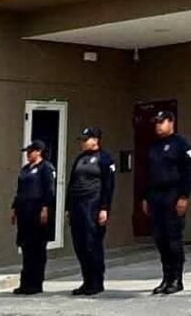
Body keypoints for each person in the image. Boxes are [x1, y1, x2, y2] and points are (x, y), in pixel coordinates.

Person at [142, 110, 191, 295]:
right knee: (160, 238)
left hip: (173, 195)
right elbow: (148, 174)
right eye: (156, 122)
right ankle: (166, 278)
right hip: (155, 196)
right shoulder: (154, 146)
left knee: (173, 239)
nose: (158, 125)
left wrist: (184, 197)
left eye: (161, 121)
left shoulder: (181, 144)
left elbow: (189, 172)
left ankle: (176, 279)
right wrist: (146, 197)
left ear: (171, 122)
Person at [65, 127, 115, 296]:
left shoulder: (104, 158)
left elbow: (109, 186)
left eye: (85, 139)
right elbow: (71, 183)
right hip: (77, 206)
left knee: (92, 244)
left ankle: (96, 282)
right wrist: (68, 207)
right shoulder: (80, 158)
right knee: (79, 245)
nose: (82, 143)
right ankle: (86, 281)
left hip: (93, 205)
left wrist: (104, 208)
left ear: (95, 140)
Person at [10, 139, 56, 295]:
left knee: (37, 248)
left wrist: (45, 208)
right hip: (24, 212)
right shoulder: (25, 169)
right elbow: (20, 190)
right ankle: (25, 283)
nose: (28, 155)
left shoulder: (46, 168)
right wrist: (14, 208)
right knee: (26, 247)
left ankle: (35, 283)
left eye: (31, 152)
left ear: (39, 152)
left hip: (37, 211)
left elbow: (49, 190)